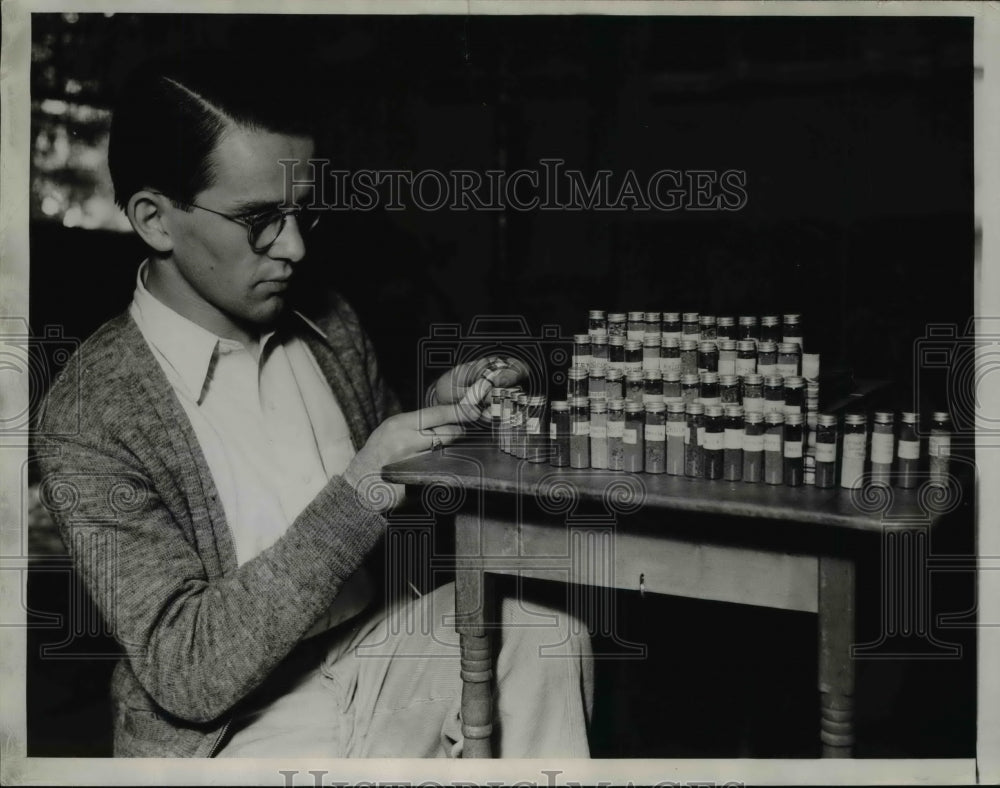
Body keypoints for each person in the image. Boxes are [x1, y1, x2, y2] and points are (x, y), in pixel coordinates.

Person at [36, 54, 593, 758]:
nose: (294, 247)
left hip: (371, 649)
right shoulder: (90, 414)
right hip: (231, 729)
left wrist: (445, 420)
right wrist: (363, 485)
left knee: (546, 642)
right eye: (260, 220)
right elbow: (187, 674)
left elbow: (400, 511)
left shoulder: (328, 323)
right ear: (154, 221)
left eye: (302, 212)